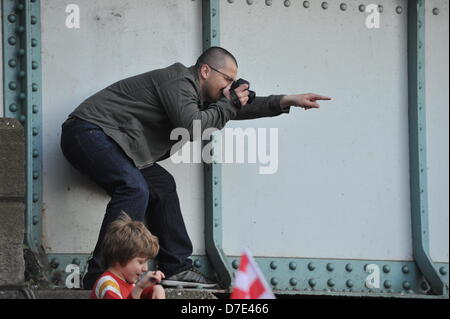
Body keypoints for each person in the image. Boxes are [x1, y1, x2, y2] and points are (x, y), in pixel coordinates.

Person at [60, 46, 331, 290]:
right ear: (205, 71)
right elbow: (193, 126)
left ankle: (176, 266)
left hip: (116, 143)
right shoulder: (179, 82)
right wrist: (230, 103)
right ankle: (99, 276)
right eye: (226, 78)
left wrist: (285, 100)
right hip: (87, 132)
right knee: (134, 187)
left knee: (161, 186)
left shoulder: (200, 96)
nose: (229, 85)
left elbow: (232, 110)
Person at [90, 212, 165, 299]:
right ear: (120, 257)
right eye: (141, 262)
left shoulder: (128, 282)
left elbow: (137, 294)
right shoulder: (108, 285)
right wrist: (139, 287)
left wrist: (155, 289)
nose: (146, 268)